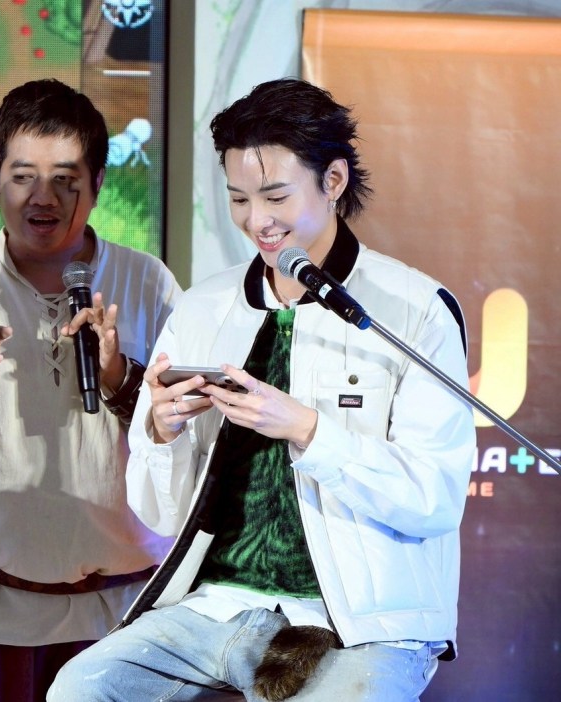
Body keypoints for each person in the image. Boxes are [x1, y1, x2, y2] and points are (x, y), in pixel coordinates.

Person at [49, 78, 476, 701]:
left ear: (333, 180)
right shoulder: (203, 308)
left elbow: (432, 498)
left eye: (276, 196)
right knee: (81, 689)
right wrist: (162, 434)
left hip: (364, 625)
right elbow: (160, 515)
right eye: (238, 199)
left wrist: (308, 430)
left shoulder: (414, 309)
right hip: (217, 606)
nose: (257, 221)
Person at [0, 78, 182, 702]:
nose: (43, 197)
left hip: (125, 616)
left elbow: (192, 441)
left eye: (65, 178)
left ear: (99, 182)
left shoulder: (149, 283)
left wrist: (120, 378)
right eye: (23, 176)